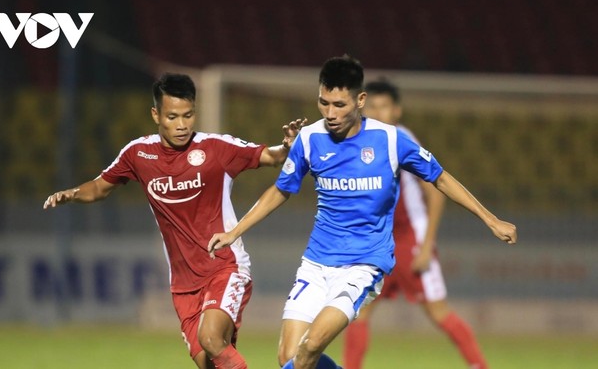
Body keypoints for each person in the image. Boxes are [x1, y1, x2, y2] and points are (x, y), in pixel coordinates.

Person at [208, 55, 517, 369]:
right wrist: (235, 231)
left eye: (339, 105)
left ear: (360, 100)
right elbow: (280, 191)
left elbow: (440, 178)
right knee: (288, 356)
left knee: (310, 346)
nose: (330, 113)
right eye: (323, 103)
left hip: (363, 265)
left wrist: (491, 220)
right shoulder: (310, 138)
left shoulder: (391, 140)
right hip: (316, 263)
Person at [43, 73, 305, 369]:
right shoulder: (138, 154)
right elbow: (100, 187)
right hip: (183, 286)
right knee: (211, 361)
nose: (182, 125)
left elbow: (269, 157)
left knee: (210, 338)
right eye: (172, 117)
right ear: (156, 114)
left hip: (225, 267)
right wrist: (72, 193)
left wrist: (287, 147)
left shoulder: (215, 148)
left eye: (188, 115)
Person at [342, 79, 488, 369]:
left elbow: (434, 192)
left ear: (397, 111)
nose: (378, 112)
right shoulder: (357, 139)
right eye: (372, 105)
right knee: (359, 312)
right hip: (377, 242)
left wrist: (426, 245)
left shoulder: (402, 139)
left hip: (411, 239)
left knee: (438, 311)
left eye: (384, 106)